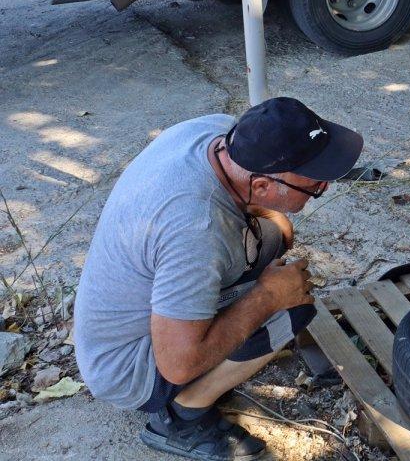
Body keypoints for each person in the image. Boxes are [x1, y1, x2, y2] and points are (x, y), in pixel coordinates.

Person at [74, 97, 364, 460]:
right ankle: (184, 415)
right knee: (292, 307)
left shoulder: (214, 133)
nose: (324, 186)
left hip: (129, 314)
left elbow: (248, 216)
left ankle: (211, 335)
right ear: (260, 186)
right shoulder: (197, 231)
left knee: (276, 236)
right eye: (315, 185)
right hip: (128, 367)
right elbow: (178, 363)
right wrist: (267, 298)